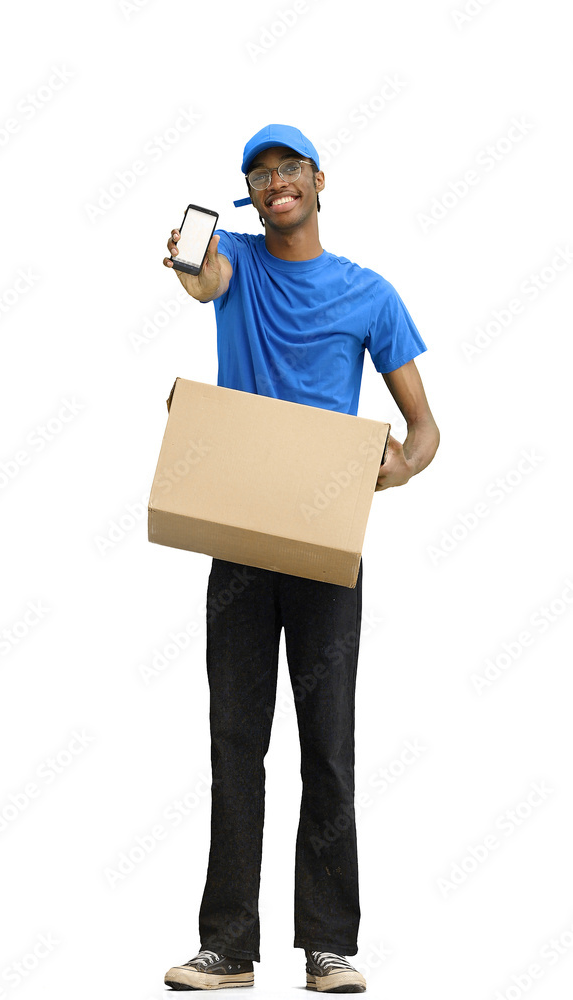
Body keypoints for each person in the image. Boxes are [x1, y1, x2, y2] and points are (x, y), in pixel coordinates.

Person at [160, 124, 440, 993]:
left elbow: (425, 430)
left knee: (327, 744)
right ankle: (228, 948)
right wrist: (187, 261)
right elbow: (203, 281)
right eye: (258, 175)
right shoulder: (236, 261)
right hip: (239, 542)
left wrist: (393, 471)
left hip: (326, 546)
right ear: (249, 197)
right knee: (235, 741)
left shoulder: (369, 294)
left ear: (319, 179)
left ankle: (327, 944)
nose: (275, 183)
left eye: (287, 169)